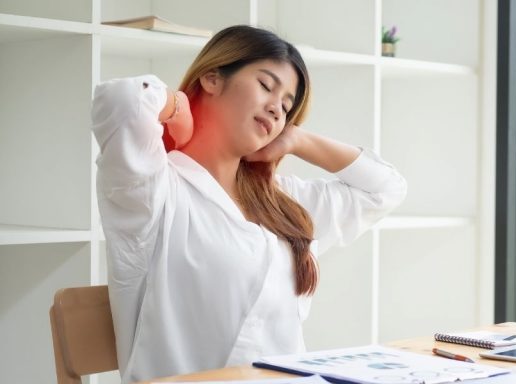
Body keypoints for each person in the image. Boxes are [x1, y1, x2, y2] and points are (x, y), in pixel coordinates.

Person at [91, 25, 407, 383]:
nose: (276, 109)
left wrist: (297, 140)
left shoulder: (283, 202)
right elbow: (123, 100)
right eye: (266, 86)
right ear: (212, 78)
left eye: (287, 107)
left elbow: (385, 189)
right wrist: (180, 107)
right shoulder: (152, 190)